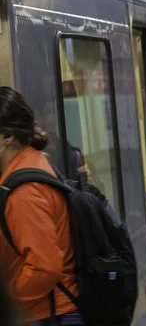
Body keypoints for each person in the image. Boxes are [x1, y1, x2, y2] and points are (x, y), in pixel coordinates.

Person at [0, 87, 82, 325]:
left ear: (8, 137)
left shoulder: (24, 190)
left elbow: (44, 267)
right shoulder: (31, 162)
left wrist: (9, 299)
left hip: (51, 314)